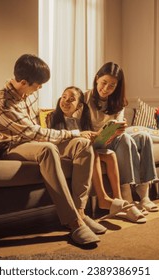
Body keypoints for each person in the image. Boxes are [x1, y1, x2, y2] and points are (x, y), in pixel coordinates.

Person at [0, 54, 106, 245]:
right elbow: (35, 133)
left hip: (34, 141)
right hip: (11, 146)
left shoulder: (29, 94)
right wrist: (72, 133)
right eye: (38, 85)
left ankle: (80, 212)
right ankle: (73, 222)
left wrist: (77, 136)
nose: (40, 88)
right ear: (24, 82)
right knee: (48, 149)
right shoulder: (2, 102)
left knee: (83, 144)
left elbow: (39, 130)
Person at [48, 86, 146, 223]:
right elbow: (55, 138)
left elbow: (87, 136)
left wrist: (104, 133)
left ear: (79, 106)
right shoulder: (53, 116)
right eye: (64, 97)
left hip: (81, 148)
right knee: (91, 152)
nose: (65, 101)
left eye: (71, 99)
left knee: (110, 154)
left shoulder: (78, 120)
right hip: (64, 151)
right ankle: (103, 199)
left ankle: (119, 199)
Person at [84, 62, 159, 213]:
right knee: (124, 139)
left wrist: (119, 127)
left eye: (112, 86)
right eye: (104, 83)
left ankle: (144, 195)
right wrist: (108, 133)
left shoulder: (118, 101)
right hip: (95, 141)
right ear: (97, 78)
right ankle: (126, 196)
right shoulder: (85, 98)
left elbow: (118, 126)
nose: (106, 89)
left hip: (113, 139)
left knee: (144, 137)